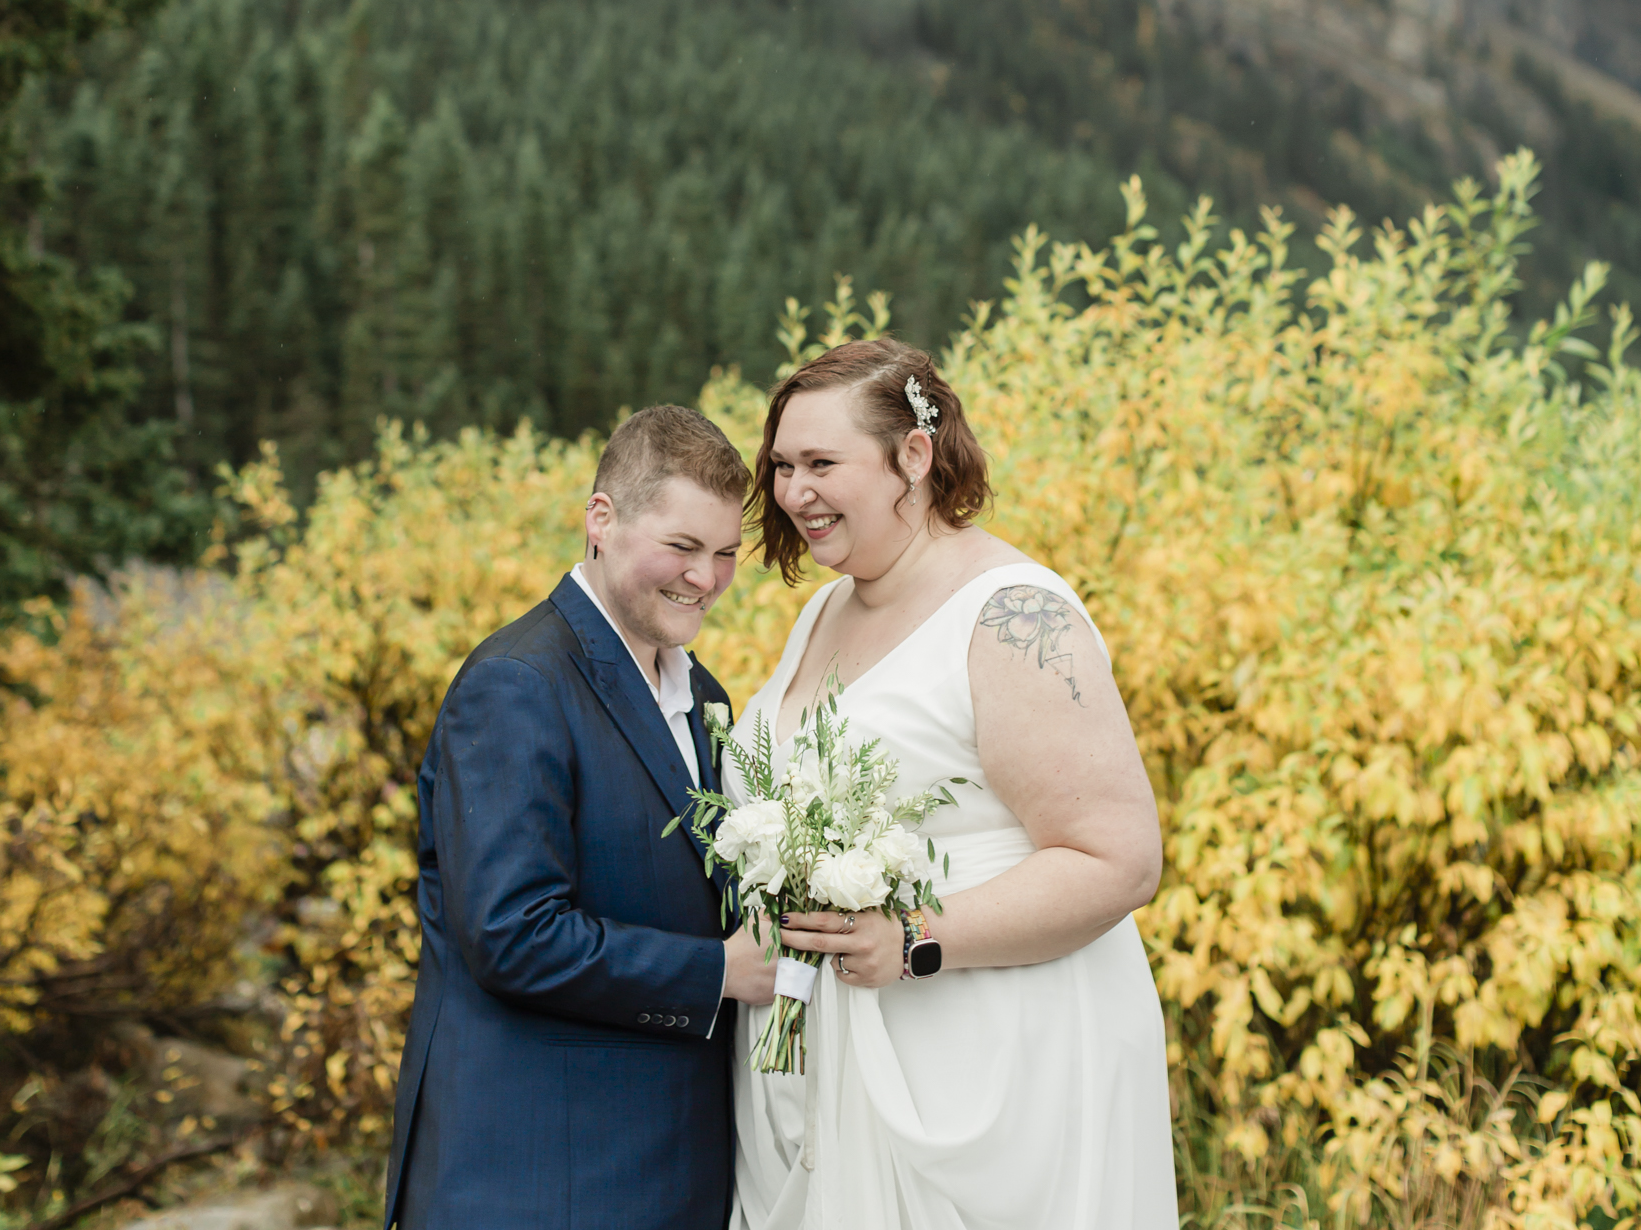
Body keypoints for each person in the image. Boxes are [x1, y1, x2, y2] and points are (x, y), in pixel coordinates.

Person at [728, 340, 1178, 1228]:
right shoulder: (827, 607)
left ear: (915, 456)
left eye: (822, 463)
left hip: (992, 1064)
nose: (791, 492)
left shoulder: (1015, 616)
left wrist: (915, 938)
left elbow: (1120, 860)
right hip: (833, 1056)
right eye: (782, 465)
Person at [384, 405, 777, 1230]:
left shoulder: (704, 695)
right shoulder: (517, 684)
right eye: (681, 547)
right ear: (601, 520)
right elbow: (512, 934)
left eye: (726, 555)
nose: (704, 579)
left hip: (671, 1174)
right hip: (538, 1178)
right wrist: (720, 973)